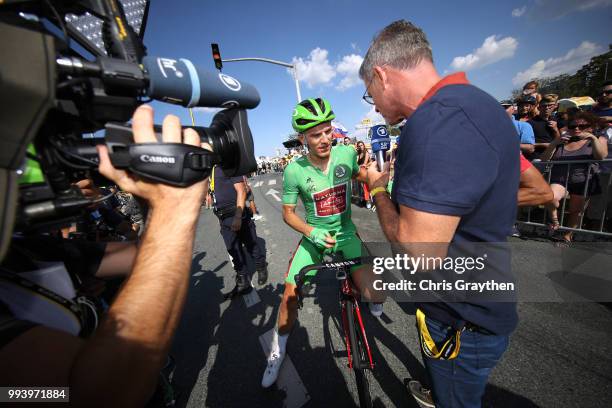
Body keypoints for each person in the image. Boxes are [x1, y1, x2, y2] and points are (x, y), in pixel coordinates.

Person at [0, 105, 207, 406]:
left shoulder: (25, 250)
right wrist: (173, 210)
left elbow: (143, 258)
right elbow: (91, 396)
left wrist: (149, 198)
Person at [359, 20, 520, 408]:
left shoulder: (433, 122)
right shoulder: (482, 104)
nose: (375, 107)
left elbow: (419, 252)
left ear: (382, 75)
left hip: (459, 318)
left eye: (370, 96)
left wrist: (378, 189)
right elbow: (537, 188)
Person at [261, 97, 382, 388]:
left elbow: (361, 174)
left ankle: (359, 286)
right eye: (316, 135)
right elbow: (288, 214)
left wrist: (377, 181)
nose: (325, 139)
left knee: (376, 295)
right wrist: (311, 232)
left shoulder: (346, 154)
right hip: (314, 239)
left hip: (346, 234)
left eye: (328, 131)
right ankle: (278, 351)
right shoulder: (294, 171)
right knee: (290, 293)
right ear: (303, 138)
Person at [541, 111, 608, 243]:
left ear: (591, 127)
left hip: (584, 181)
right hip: (559, 178)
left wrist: (593, 139)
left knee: (575, 211)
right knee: (551, 197)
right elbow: (544, 159)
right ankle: (555, 222)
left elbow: (601, 156)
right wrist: (555, 143)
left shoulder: (599, 139)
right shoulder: (562, 140)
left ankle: (568, 235)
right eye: (572, 126)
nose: (577, 129)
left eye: (582, 126)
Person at [210, 165, 268, 297]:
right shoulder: (211, 170)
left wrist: (238, 216)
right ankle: (243, 282)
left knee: (251, 245)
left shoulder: (228, 164)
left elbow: (241, 191)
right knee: (233, 250)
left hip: (237, 214)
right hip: (223, 218)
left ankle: (261, 266)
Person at [527, 94, 561, 160]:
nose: (547, 108)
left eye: (550, 105)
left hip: (554, 158)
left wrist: (555, 129)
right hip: (537, 158)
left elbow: (559, 141)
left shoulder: (557, 121)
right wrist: (543, 145)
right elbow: (526, 144)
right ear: (539, 107)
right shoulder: (530, 123)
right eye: (544, 106)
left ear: (555, 107)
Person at [356, 140, 373, 208]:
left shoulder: (366, 152)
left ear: (364, 145)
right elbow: (356, 162)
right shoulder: (358, 154)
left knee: (365, 187)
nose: (360, 147)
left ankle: (368, 201)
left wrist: (359, 166)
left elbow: (364, 163)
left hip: (365, 172)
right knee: (360, 187)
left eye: (361, 145)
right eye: (359, 146)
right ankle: (362, 199)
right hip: (360, 171)